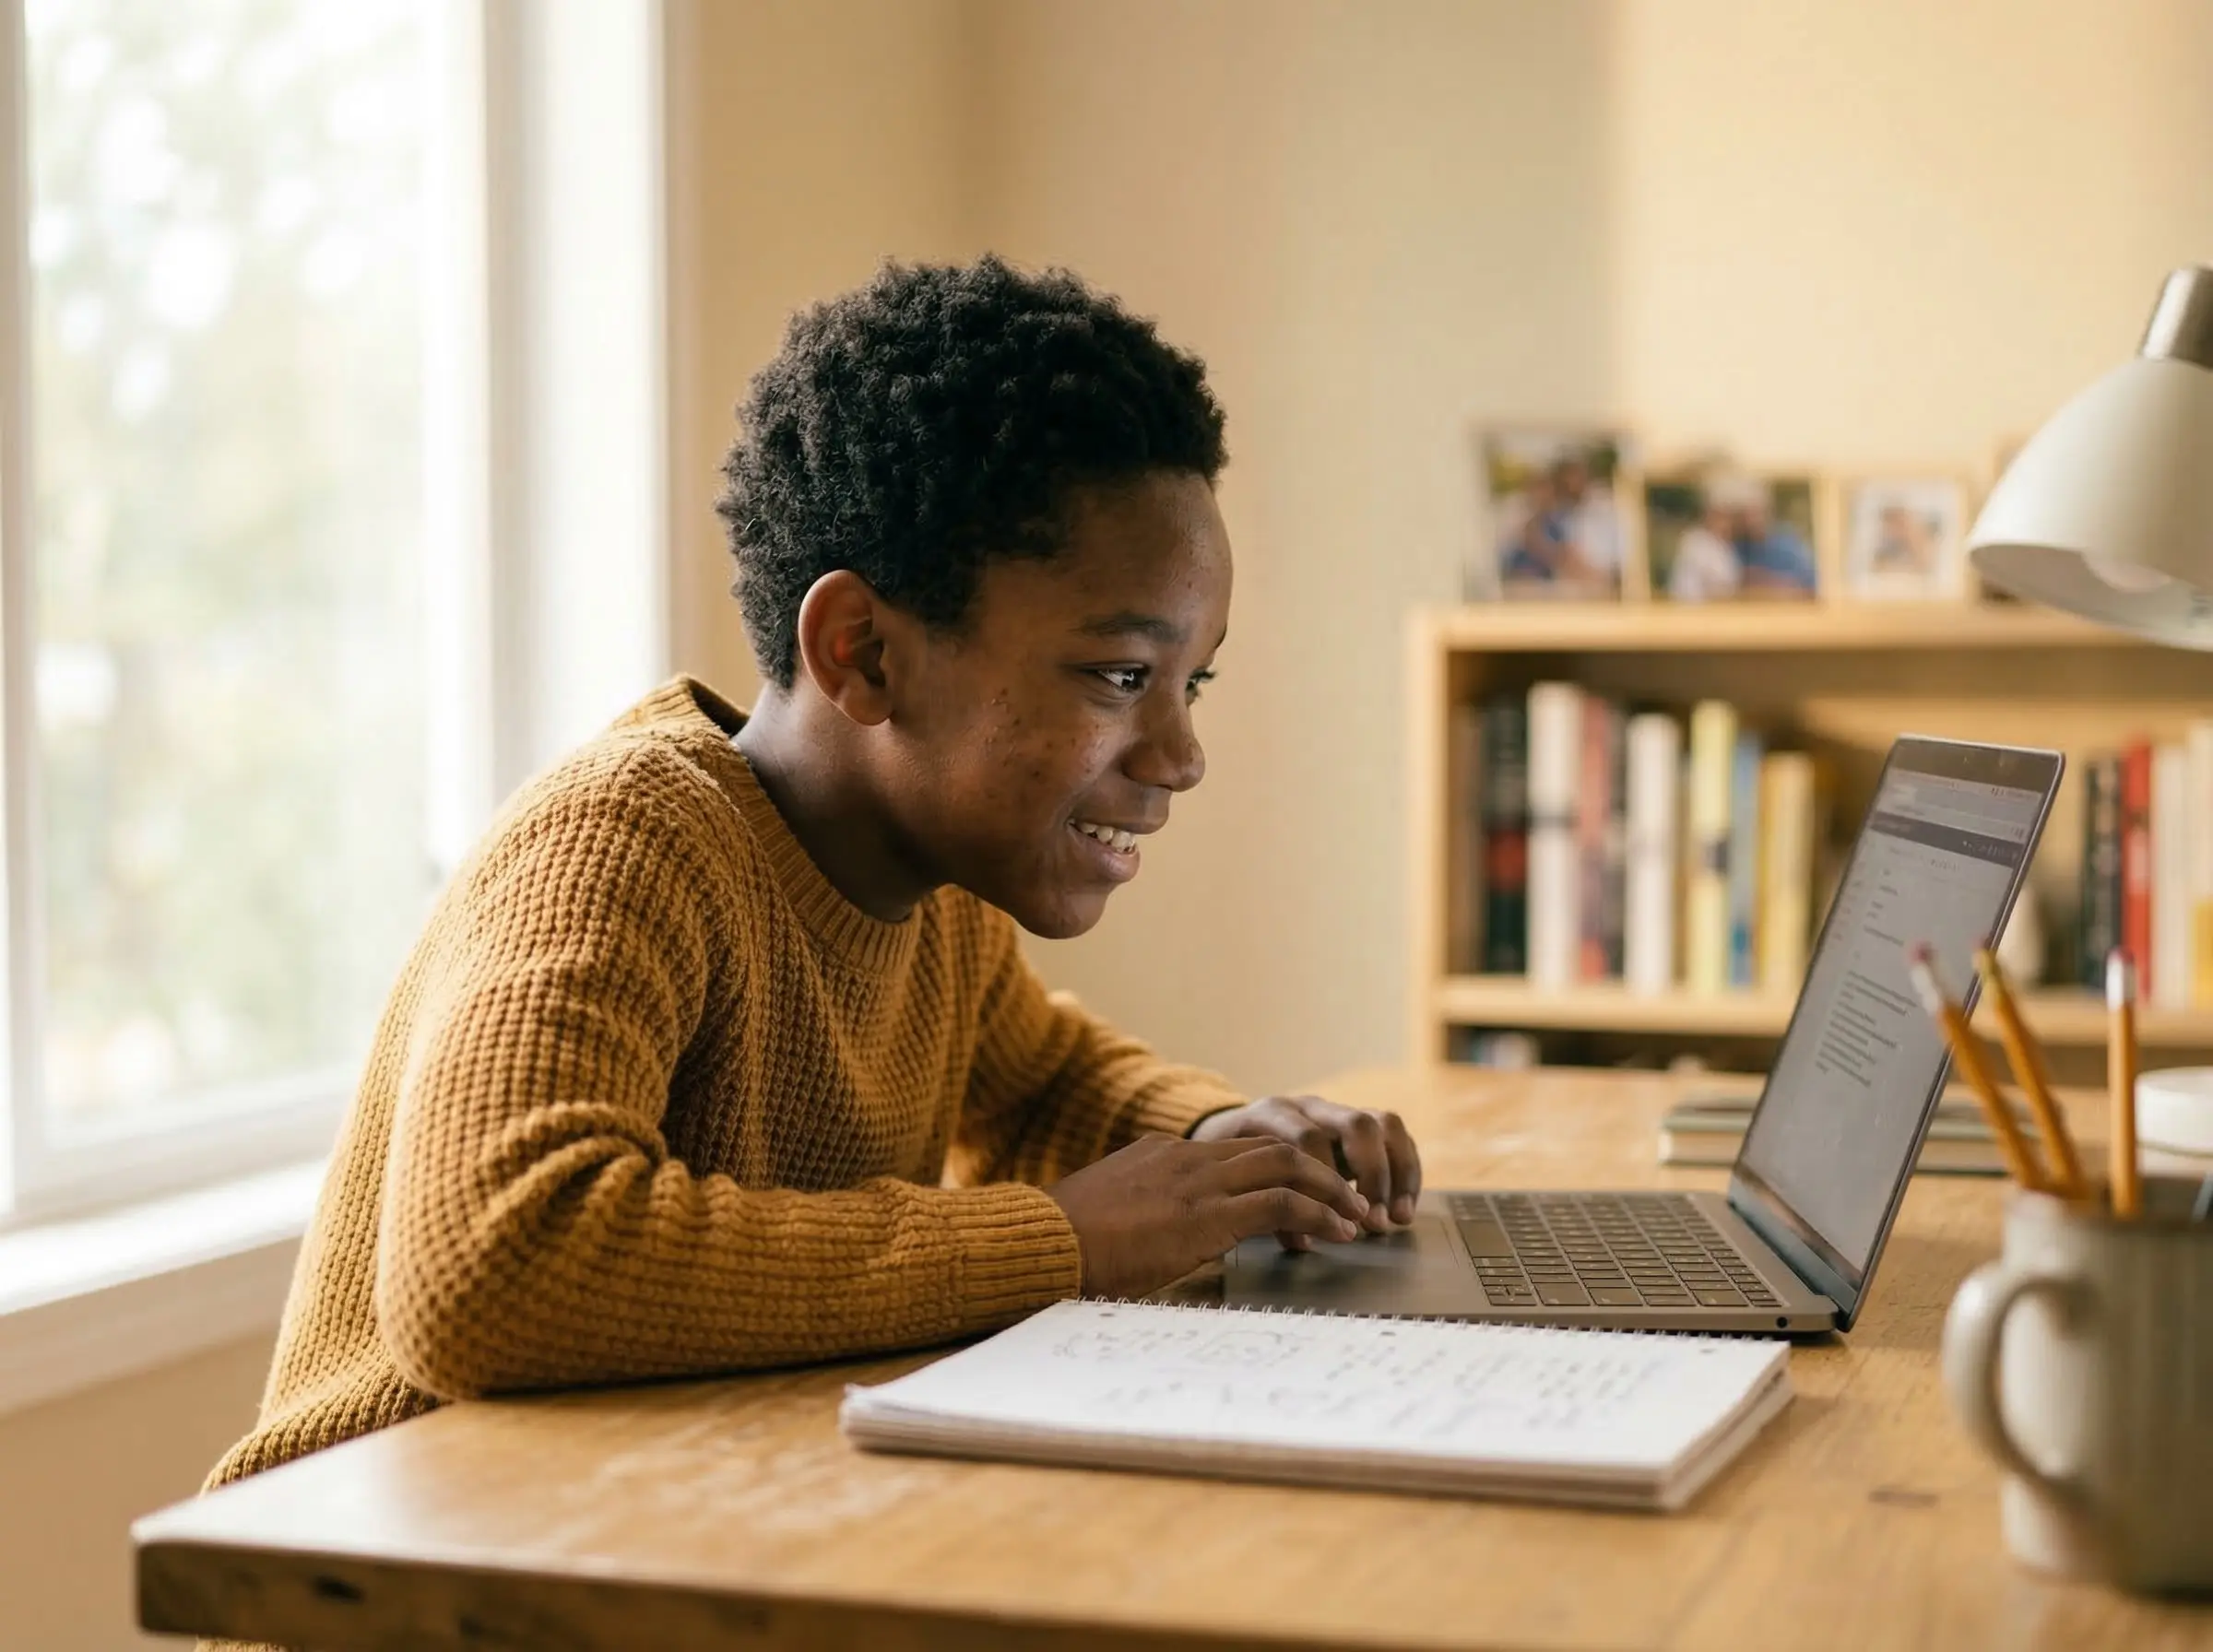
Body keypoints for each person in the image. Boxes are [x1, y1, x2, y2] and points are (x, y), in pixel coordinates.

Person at [200, 258, 1423, 1513]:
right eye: (1119, 676)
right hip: (393, 1597)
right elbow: (500, 1261)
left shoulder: (929, 890)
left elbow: (1051, 1081)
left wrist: (1225, 1144)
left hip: (656, 1543)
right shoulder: (627, 838)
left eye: (1192, 685)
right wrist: (1065, 1239)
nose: (1181, 756)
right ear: (864, 653)